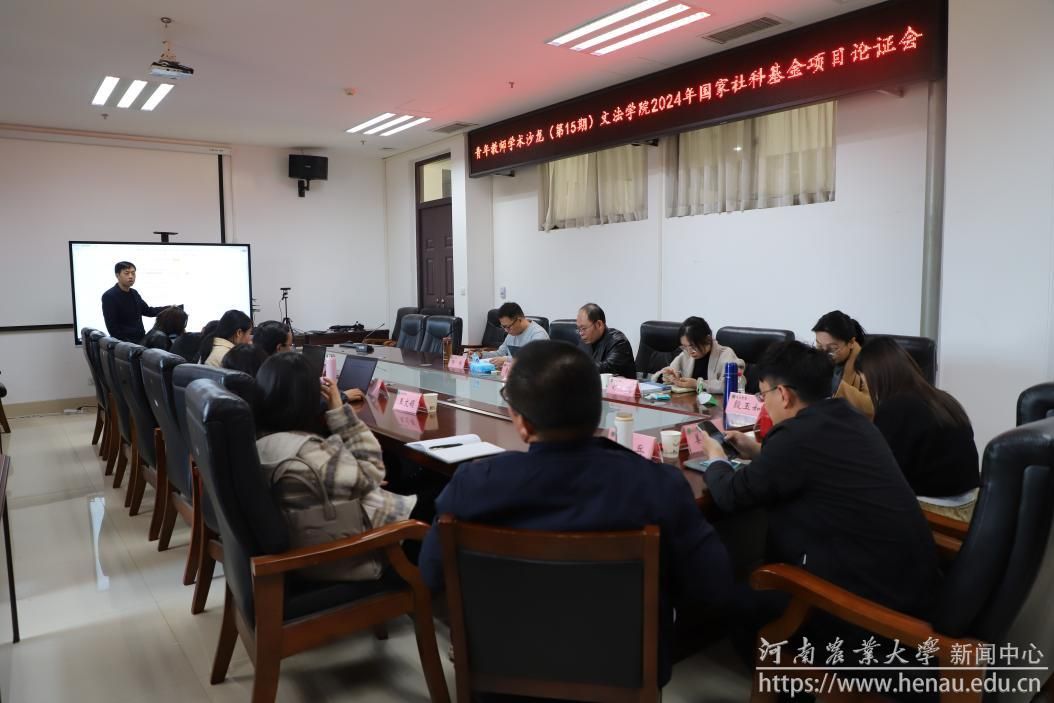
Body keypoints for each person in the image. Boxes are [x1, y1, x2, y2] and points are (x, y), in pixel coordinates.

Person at [418, 341, 733, 687]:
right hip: (624, 676)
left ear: (522, 424)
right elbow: (713, 590)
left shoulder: (474, 485)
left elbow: (429, 577)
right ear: (600, 411)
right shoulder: (659, 487)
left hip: (502, 671)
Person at [700, 341, 940, 638]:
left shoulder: (795, 436)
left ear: (783, 394)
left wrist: (716, 459)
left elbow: (731, 496)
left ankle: (786, 664)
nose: (763, 404)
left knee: (731, 600)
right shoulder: (850, 418)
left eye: (763, 395)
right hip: (911, 590)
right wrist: (759, 451)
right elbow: (810, 463)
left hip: (866, 611)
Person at [254, 352, 424, 577]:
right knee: (433, 500)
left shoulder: (259, 442)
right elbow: (373, 472)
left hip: (307, 536)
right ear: (309, 400)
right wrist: (339, 412)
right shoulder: (306, 451)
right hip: (347, 554)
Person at [855, 337, 981, 521]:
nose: (865, 386)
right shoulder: (941, 398)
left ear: (876, 375)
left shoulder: (896, 408)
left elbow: (885, 474)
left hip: (941, 510)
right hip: (971, 504)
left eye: (863, 380)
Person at [652, 316, 742, 394]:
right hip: (688, 405)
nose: (690, 351)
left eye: (693, 346)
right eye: (685, 346)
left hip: (716, 406)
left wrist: (698, 384)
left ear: (707, 339)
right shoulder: (686, 354)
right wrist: (666, 376)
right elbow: (666, 375)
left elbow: (735, 385)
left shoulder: (726, 354)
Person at [812, 310, 873, 417]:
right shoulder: (813, 358)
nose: (824, 353)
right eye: (819, 346)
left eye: (832, 348)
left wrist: (836, 385)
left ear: (851, 342)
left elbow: (871, 407)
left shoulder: (868, 363)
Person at [101, 261, 178, 342]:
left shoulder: (134, 293)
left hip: (141, 339)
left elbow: (148, 311)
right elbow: (112, 328)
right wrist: (128, 345)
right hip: (125, 344)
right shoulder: (109, 296)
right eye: (126, 273)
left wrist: (170, 308)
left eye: (133, 273)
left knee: (165, 335)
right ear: (117, 275)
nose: (131, 276)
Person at [575, 303, 636, 378]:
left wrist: (578, 367)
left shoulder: (619, 342)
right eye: (579, 329)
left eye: (584, 328)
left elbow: (608, 369)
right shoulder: (584, 342)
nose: (581, 333)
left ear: (599, 324)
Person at [481, 302, 549, 367]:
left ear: (519, 320)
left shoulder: (539, 334)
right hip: (514, 373)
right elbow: (500, 353)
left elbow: (533, 359)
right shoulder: (511, 333)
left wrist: (506, 360)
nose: (506, 330)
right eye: (503, 327)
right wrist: (481, 355)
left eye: (508, 327)